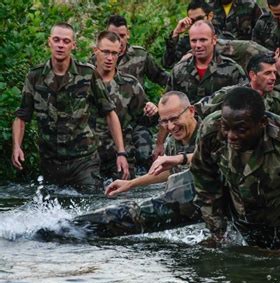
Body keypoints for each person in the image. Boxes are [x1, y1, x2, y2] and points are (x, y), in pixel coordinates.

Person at [37, 91, 201, 239]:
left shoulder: (211, 130)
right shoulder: (173, 141)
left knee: (134, 215)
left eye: (175, 119)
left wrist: (181, 158)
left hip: (213, 199)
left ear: (191, 111)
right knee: (125, 212)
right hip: (194, 200)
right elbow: (169, 170)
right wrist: (130, 183)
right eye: (164, 121)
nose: (171, 127)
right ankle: (63, 230)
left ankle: (67, 231)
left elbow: (215, 158)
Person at [191, 87, 280, 251]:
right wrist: (218, 232)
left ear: (262, 123)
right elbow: (204, 177)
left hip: (279, 219)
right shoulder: (211, 129)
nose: (230, 136)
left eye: (240, 130)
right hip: (233, 205)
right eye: (225, 127)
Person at [11, 23, 128, 191]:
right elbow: (21, 116)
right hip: (50, 161)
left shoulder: (87, 74)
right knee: (51, 211)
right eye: (57, 40)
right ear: (49, 42)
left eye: (66, 41)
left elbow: (109, 112)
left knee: (90, 206)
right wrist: (16, 146)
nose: (61, 45)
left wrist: (121, 152)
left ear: (73, 45)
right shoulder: (35, 76)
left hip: (83, 160)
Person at [91, 15, 169, 171]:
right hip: (100, 130)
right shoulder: (89, 69)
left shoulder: (139, 57)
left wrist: (161, 106)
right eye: (113, 36)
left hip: (134, 119)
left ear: (128, 35)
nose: (118, 41)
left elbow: (163, 78)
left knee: (144, 154)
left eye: (121, 36)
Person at [93, 31, 150, 180]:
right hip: (89, 158)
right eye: (105, 52)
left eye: (114, 53)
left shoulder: (130, 84)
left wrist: (153, 111)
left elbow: (144, 121)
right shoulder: (82, 82)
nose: (110, 58)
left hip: (121, 156)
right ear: (95, 51)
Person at [166, 20, 247, 104]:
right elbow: (168, 103)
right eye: (194, 41)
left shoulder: (232, 69)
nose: (198, 45)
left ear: (214, 40)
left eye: (203, 40)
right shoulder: (179, 70)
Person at [195, 53, 280, 118]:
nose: (273, 77)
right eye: (268, 73)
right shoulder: (231, 94)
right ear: (253, 75)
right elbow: (196, 111)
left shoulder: (275, 98)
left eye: (274, 73)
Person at [162, 0, 216, 68]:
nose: (197, 23)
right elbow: (168, 63)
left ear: (210, 16)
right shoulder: (187, 42)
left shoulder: (222, 36)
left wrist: (191, 54)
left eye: (200, 19)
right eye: (192, 21)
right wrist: (175, 34)